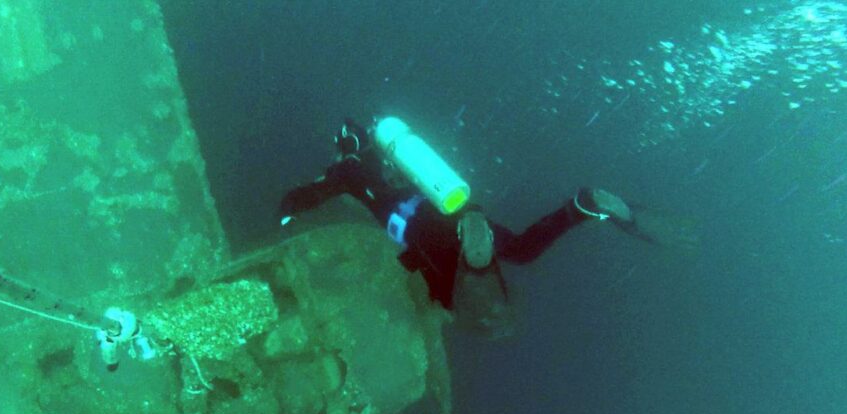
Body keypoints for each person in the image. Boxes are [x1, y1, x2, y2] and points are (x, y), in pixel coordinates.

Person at [279, 117, 650, 337]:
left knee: (446, 287)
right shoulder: (402, 163)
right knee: (520, 249)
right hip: (453, 209)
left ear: (348, 144)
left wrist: (288, 207)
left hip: (421, 227)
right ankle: (579, 208)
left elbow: (319, 190)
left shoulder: (351, 169)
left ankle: (475, 258)